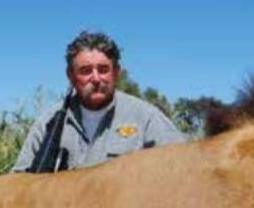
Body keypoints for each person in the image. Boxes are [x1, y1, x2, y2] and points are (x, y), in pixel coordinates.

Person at [11, 31, 185, 172]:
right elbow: (19, 183)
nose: (95, 78)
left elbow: (182, 169)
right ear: (70, 76)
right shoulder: (48, 122)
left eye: (103, 70)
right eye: (85, 71)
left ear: (116, 72)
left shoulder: (146, 117)